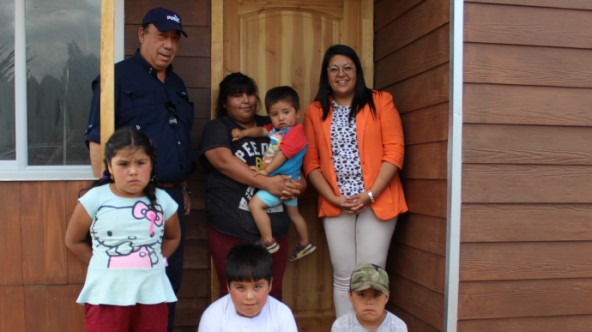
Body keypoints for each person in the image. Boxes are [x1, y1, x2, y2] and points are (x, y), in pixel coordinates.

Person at [84, 7, 194, 330]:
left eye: (174, 38)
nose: (168, 45)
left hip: (169, 204)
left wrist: (182, 188)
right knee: (121, 297)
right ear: (141, 35)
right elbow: (96, 144)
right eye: (161, 36)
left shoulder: (177, 84)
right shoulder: (116, 77)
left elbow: (178, 140)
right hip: (128, 204)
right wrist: (108, 199)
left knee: (163, 291)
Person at [303, 44, 408, 316]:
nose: (341, 74)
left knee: (369, 276)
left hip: (377, 199)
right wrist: (333, 198)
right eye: (334, 68)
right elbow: (310, 163)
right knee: (343, 277)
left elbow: (395, 152)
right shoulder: (315, 111)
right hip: (337, 202)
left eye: (347, 67)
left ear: (357, 72)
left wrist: (369, 194)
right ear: (326, 75)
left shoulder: (380, 101)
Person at [197, 72, 305, 300]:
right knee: (233, 294)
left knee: (272, 294)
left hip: (275, 231)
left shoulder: (275, 124)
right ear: (225, 103)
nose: (246, 100)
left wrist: (299, 185)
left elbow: (297, 161)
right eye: (237, 95)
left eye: (250, 93)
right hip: (230, 229)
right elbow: (224, 162)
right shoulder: (218, 127)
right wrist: (267, 183)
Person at [65, 128, 181, 332]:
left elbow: (173, 237)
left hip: (152, 294)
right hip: (105, 295)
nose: (133, 171)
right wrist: (101, 261)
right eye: (123, 164)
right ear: (109, 166)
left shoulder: (163, 200)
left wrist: (155, 259)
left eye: (140, 163)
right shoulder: (94, 199)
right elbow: (73, 240)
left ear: (151, 165)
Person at [231, 86, 316, 261]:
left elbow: (283, 155)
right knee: (294, 214)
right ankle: (305, 242)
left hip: (281, 182)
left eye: (286, 112)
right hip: (290, 182)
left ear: (297, 112)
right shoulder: (278, 131)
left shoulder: (295, 132)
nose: (281, 118)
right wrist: (244, 133)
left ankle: (268, 240)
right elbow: (261, 131)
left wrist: (265, 171)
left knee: (255, 205)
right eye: (275, 114)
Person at [197, 243, 298, 331]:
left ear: (270, 284)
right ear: (228, 286)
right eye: (240, 288)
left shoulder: (282, 315)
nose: (249, 296)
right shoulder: (213, 316)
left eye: (257, 287)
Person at [331, 263, 407, 332]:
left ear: (386, 297)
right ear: (350, 295)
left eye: (376, 295)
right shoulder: (341, 327)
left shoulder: (397, 327)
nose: (369, 302)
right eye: (361, 295)